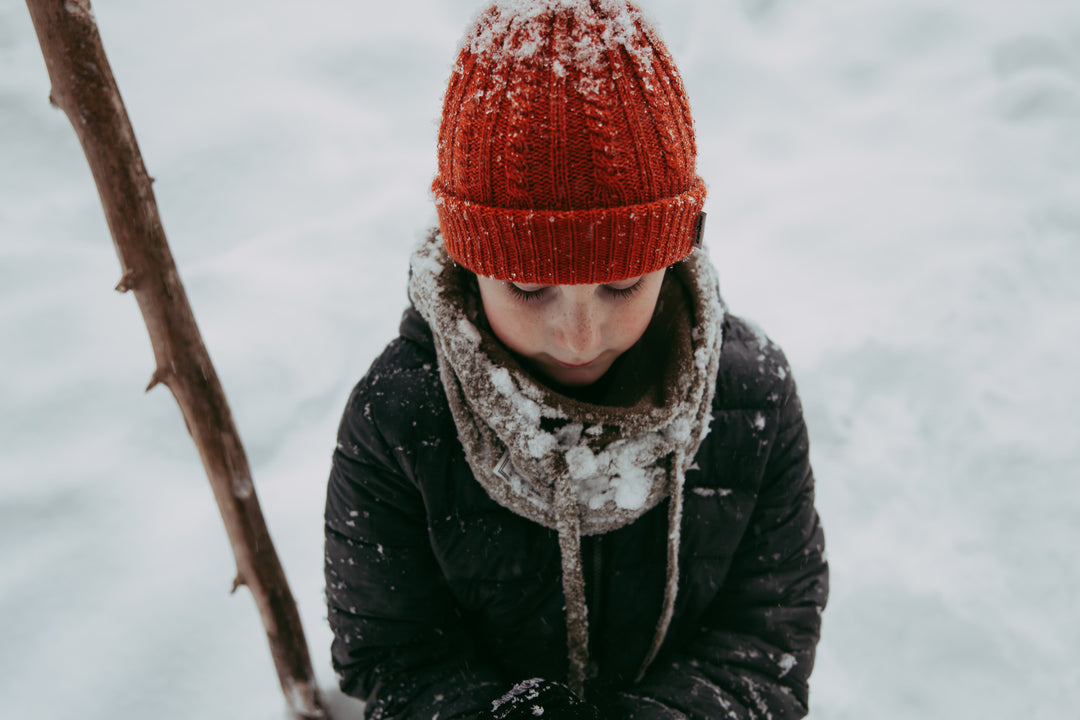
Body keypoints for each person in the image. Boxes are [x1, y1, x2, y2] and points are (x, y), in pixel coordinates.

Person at [324, 1, 828, 718]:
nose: (580, 337)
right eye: (530, 287)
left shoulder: (752, 400)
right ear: (472, 264)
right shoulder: (399, 421)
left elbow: (769, 630)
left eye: (623, 283)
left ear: (674, 253)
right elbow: (392, 653)